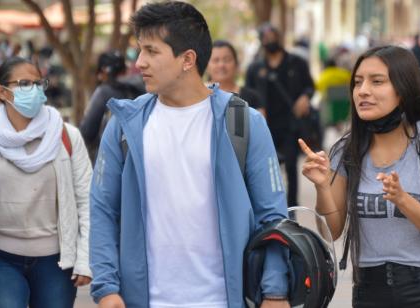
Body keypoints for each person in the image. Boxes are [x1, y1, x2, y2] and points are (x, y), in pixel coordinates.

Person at [89, 2, 289, 308]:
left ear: (187, 59)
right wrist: (106, 287)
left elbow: (272, 215)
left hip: (226, 300)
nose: (139, 62)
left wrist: (275, 291)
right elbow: (103, 209)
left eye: (151, 51)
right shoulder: (124, 126)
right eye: (139, 50)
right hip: (143, 301)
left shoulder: (243, 123)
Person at [300, 45, 420, 307]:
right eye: (357, 82)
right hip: (370, 289)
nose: (363, 90)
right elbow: (331, 232)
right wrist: (322, 187)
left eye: (377, 81)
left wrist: (403, 200)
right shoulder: (347, 150)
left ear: (402, 90)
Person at [0, 57, 92, 307]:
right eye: (24, 84)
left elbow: (87, 202)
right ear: (2, 92)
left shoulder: (67, 136)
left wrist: (85, 258)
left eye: (38, 83)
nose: (34, 91)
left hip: (56, 261)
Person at [246, 23, 315, 207]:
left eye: (273, 36)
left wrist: (305, 97)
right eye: (265, 37)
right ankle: (269, 208)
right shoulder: (255, 68)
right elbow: (247, 94)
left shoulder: (296, 62)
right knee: (265, 169)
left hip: (290, 124)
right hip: (264, 126)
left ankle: (292, 208)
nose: (269, 40)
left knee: (291, 167)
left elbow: (310, 86)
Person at [80, 50, 143, 163]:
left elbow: (87, 132)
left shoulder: (104, 92)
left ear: (103, 71)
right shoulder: (141, 88)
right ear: (125, 69)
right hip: (141, 158)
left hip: (111, 161)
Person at [207, 39, 266, 117]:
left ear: (236, 64)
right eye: (216, 60)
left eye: (226, 60)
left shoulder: (253, 98)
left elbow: (260, 127)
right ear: (207, 66)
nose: (221, 65)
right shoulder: (198, 98)